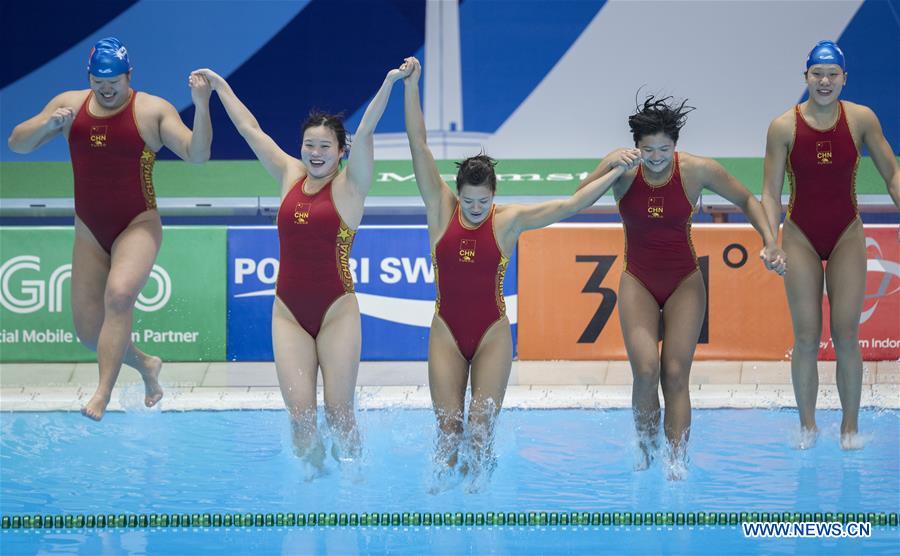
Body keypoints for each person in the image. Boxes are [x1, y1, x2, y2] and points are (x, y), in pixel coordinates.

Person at [402, 57, 634, 490]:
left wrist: (615, 170)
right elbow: (419, 146)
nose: (474, 209)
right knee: (448, 433)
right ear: (458, 193)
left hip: (491, 332)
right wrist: (412, 86)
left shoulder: (507, 221)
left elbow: (569, 205)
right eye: (469, 201)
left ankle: (479, 499)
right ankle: (440, 504)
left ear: (494, 195)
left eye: (482, 201)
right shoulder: (440, 209)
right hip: (446, 332)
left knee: (480, 433)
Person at [191, 61, 409, 469]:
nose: (315, 153)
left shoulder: (351, 186)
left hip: (336, 311)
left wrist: (389, 83)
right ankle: (314, 490)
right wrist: (220, 88)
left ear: (340, 152)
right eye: (309, 144)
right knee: (301, 418)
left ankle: (355, 487)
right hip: (287, 311)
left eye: (325, 146)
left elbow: (365, 133)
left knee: (340, 415)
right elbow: (251, 131)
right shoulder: (290, 173)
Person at [578, 94, 785, 478]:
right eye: (648, 149)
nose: (655, 157)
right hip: (637, 279)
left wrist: (771, 241)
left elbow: (746, 199)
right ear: (636, 146)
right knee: (644, 370)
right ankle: (645, 451)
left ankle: (676, 461)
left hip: (684, 281)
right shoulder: (622, 170)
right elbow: (577, 200)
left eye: (664, 149)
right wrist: (607, 166)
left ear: (676, 146)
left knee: (674, 372)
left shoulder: (695, 170)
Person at [8, 37, 213, 421]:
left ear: (129, 76)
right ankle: (147, 365)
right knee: (88, 333)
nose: (105, 89)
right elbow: (17, 144)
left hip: (138, 223)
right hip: (89, 230)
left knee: (119, 296)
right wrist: (47, 124)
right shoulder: (69, 104)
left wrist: (201, 105)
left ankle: (102, 392)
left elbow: (197, 154)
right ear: (89, 76)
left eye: (114, 82)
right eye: (98, 81)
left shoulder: (151, 110)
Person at [761, 41, 900, 450]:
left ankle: (849, 429)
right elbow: (769, 193)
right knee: (806, 336)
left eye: (832, 75)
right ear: (806, 77)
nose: (824, 82)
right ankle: (807, 427)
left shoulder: (860, 120)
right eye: (817, 74)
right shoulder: (783, 126)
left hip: (846, 234)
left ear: (844, 78)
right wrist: (771, 241)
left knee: (846, 333)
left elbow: (892, 174)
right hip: (801, 235)